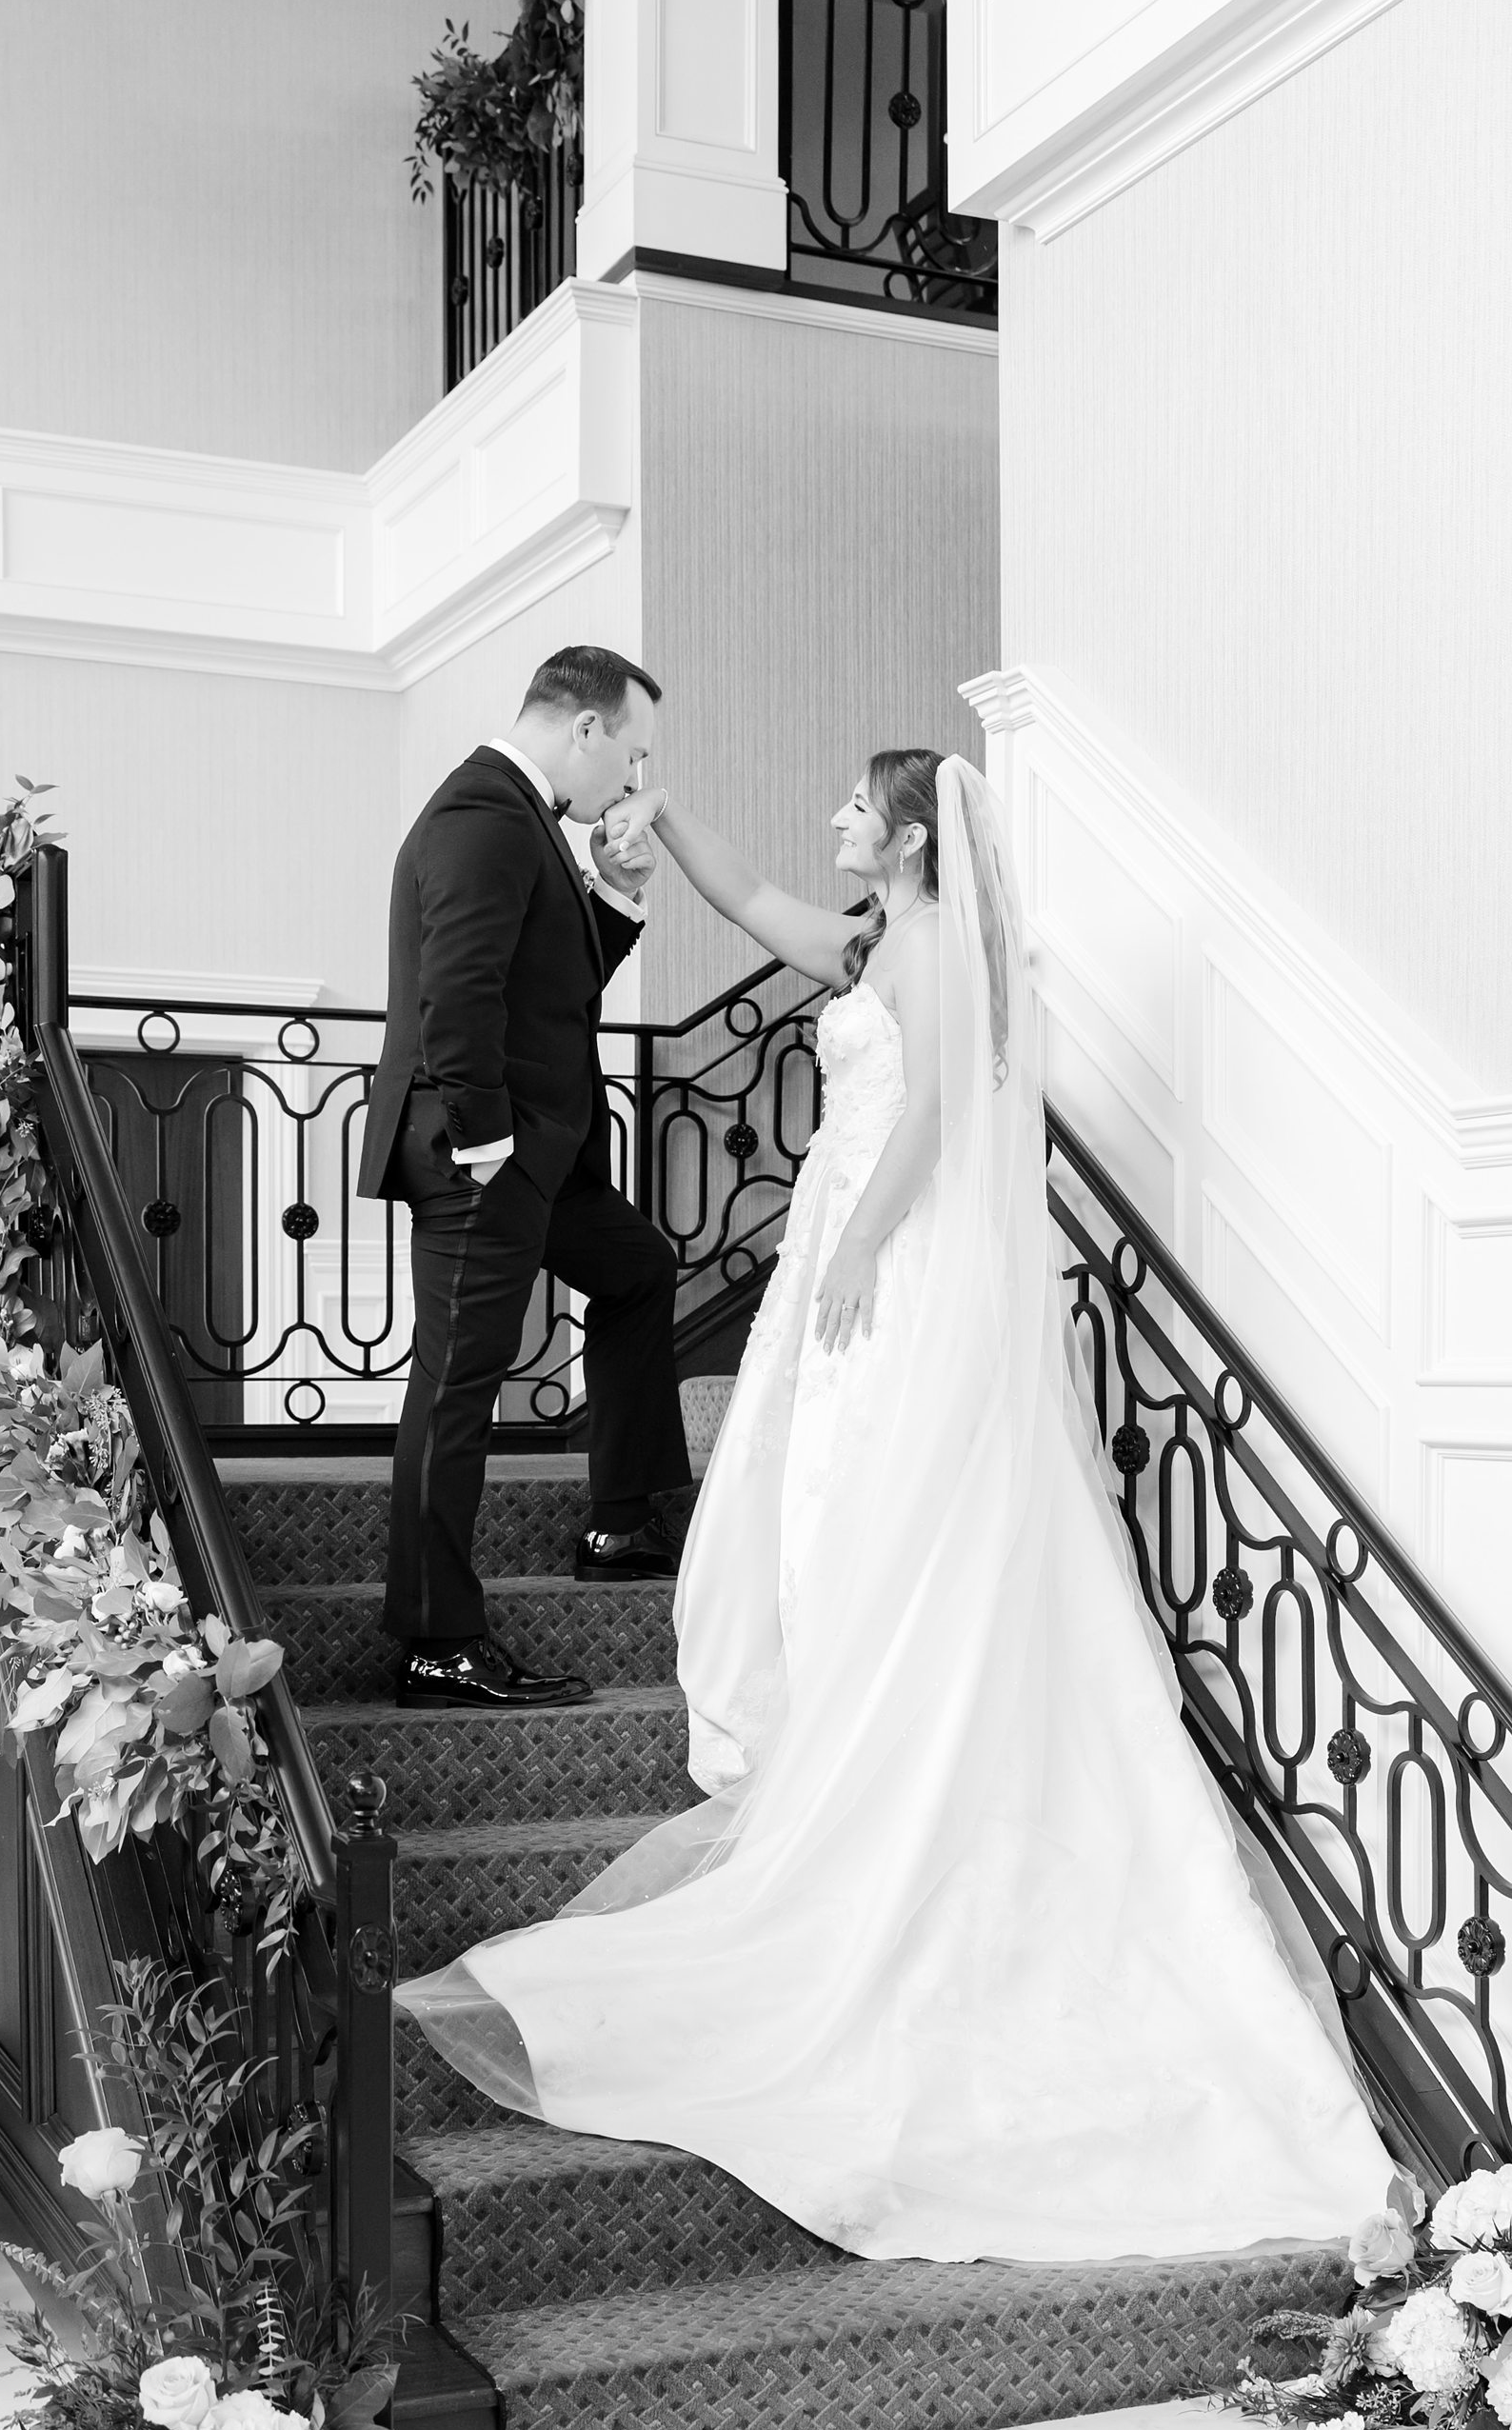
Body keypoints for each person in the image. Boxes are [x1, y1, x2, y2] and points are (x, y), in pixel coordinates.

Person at [402, 753, 1394, 2262]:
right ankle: (836, 1722)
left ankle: (880, 1749)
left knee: (867, 1509)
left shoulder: (933, 950)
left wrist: (859, 1245)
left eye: (857, 811)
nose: (837, 824)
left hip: (890, 1256)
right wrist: (659, 816)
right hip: (838, 1246)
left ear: (913, 838)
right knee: (817, 1507)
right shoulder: (875, 939)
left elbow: (933, 1111)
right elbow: (742, 896)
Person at [357, 647, 692, 1712]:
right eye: (631, 754)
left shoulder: (523, 819)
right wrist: (484, 1143)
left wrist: (619, 894)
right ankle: (437, 1638)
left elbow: (548, 985)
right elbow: (457, 990)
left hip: (534, 1154)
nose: (631, 782)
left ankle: (622, 1517)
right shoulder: (485, 816)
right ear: (583, 729)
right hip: (484, 1155)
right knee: (460, 1379)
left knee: (637, 1267)